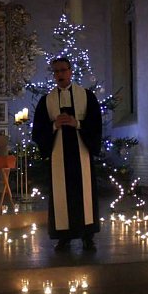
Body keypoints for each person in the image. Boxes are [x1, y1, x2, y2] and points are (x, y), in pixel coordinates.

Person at [32, 57, 103, 251]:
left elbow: (96, 124)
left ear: (71, 71)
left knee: (84, 193)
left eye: (63, 70)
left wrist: (77, 124)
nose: (59, 75)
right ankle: (64, 236)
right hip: (58, 155)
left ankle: (88, 236)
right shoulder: (46, 100)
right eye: (56, 71)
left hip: (82, 153)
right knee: (61, 194)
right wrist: (54, 125)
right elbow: (38, 130)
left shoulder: (87, 96)